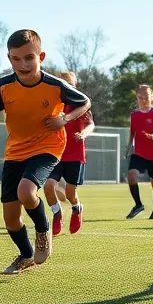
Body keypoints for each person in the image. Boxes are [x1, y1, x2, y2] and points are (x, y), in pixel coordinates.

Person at [0, 30, 90, 274]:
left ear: (41, 56)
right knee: (10, 218)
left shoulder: (54, 84)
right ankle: (25, 255)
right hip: (15, 151)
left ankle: (43, 229)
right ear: (9, 59)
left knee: (26, 191)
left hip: (47, 147)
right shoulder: (3, 85)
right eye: (16, 58)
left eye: (29, 58)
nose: (23, 64)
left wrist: (65, 119)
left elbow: (84, 102)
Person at [44, 71, 96, 235]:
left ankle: (76, 207)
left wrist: (84, 134)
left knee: (70, 193)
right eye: (64, 83)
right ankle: (56, 213)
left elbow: (90, 125)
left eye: (70, 84)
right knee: (48, 185)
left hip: (76, 154)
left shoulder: (81, 103)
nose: (68, 86)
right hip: (57, 153)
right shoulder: (55, 104)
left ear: (75, 85)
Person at [126, 85, 153, 219]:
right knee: (131, 176)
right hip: (139, 153)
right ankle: (138, 205)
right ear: (137, 98)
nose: (143, 100)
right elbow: (132, 134)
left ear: (151, 97)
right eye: (140, 97)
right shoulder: (134, 115)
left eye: (146, 97)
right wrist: (128, 147)